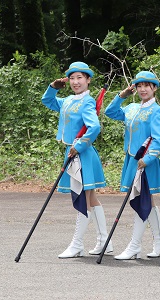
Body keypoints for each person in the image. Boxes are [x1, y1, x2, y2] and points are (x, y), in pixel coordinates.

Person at [41, 61, 112, 258]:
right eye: (72, 78)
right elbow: (47, 101)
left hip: (81, 154)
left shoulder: (87, 102)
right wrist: (54, 87)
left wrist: (79, 146)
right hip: (73, 153)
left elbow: (94, 127)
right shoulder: (68, 100)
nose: (75, 81)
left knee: (82, 199)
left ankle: (77, 244)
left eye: (79, 77)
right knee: (91, 198)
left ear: (88, 80)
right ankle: (105, 241)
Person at [105, 71, 160, 260]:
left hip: (144, 162)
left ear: (154, 88)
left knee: (141, 200)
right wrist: (121, 96)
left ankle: (135, 246)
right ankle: (159, 240)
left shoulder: (156, 110)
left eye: (146, 85)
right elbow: (110, 112)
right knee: (147, 201)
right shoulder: (131, 107)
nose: (142, 89)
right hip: (131, 160)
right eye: (139, 86)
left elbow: (159, 139)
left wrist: (147, 159)